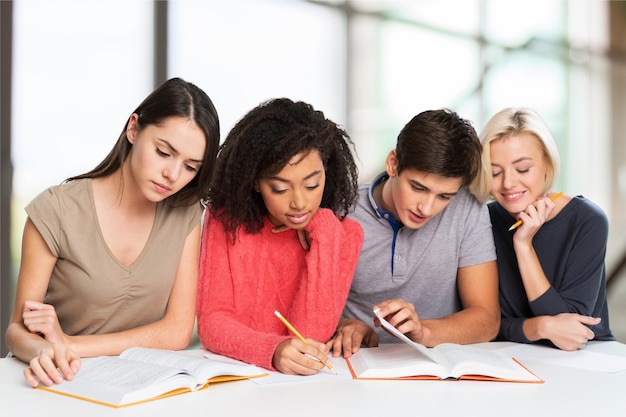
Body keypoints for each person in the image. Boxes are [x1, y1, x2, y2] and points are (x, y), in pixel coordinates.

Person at [6, 77, 220, 387]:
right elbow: (16, 330)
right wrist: (46, 350)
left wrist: (69, 343)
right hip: (60, 381)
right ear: (134, 129)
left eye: (190, 167)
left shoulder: (185, 214)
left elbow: (176, 331)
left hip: (139, 383)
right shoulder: (57, 209)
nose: (172, 175)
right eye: (163, 152)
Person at [196, 98, 363, 375]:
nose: (299, 202)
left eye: (312, 184)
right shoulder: (226, 219)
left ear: (327, 172)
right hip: (231, 380)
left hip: (303, 390)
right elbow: (212, 323)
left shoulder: (342, 234)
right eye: (280, 188)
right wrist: (272, 350)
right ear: (255, 182)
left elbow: (312, 335)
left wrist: (325, 236)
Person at [332, 108, 500, 358]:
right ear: (393, 164)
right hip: (355, 363)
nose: (427, 208)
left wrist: (424, 332)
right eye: (418, 187)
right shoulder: (340, 212)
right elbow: (294, 308)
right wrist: (341, 325)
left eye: (444, 196)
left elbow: (487, 320)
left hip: (435, 364)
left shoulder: (467, 209)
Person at [471, 107, 614, 350]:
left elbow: (570, 331)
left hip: (589, 358)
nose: (508, 183)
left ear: (547, 163)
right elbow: (485, 325)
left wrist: (523, 245)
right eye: (495, 172)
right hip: (511, 356)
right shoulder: (483, 219)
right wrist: (540, 327)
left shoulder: (588, 220)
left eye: (523, 169)